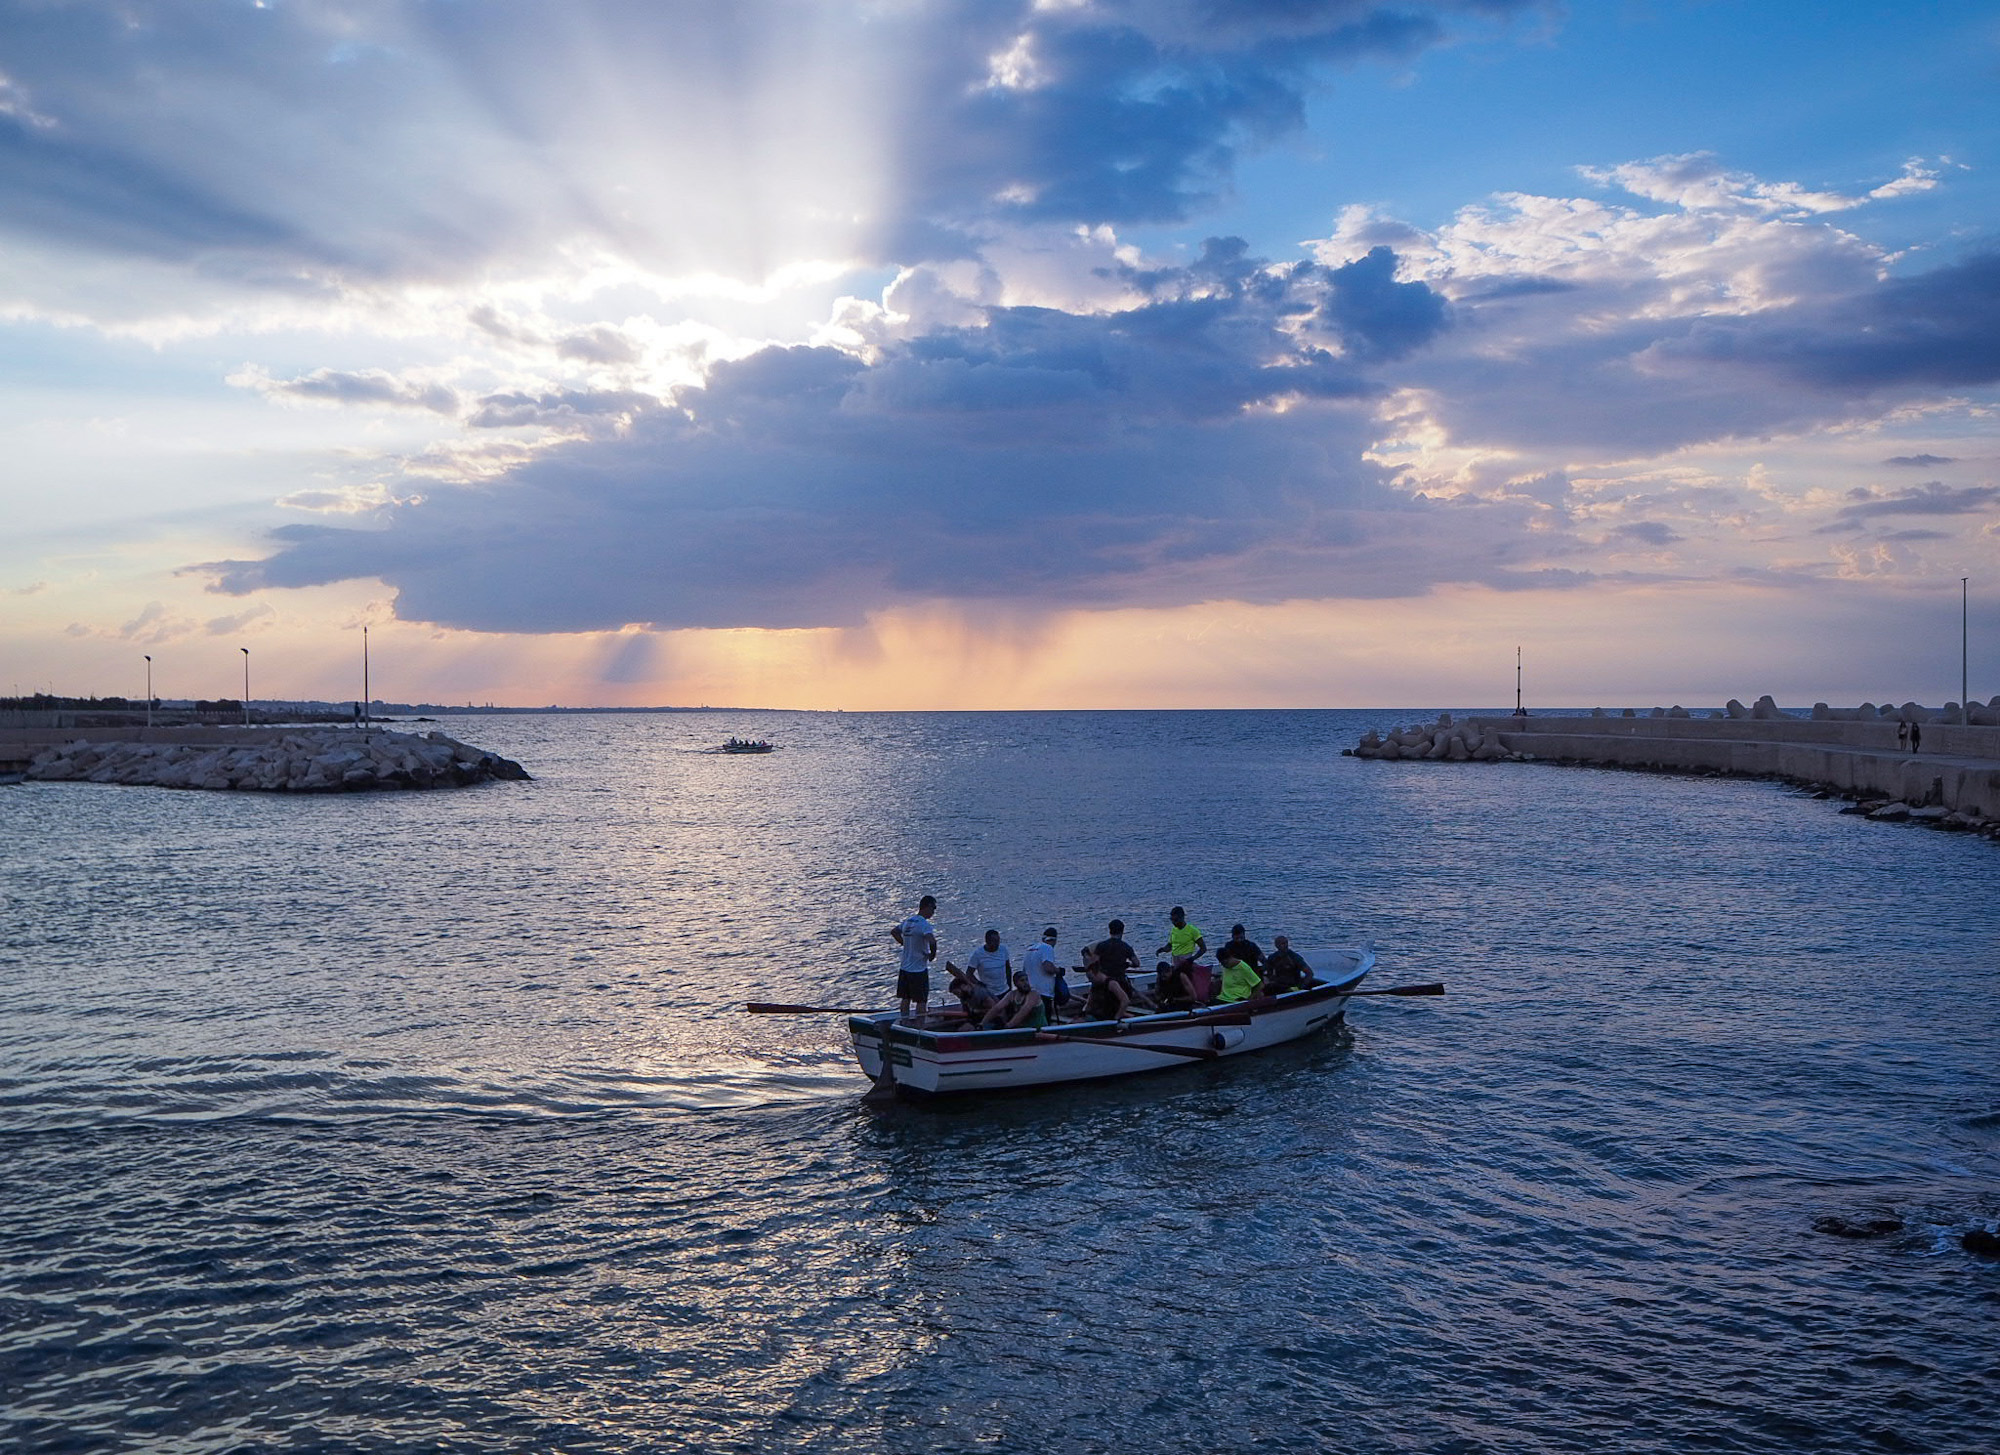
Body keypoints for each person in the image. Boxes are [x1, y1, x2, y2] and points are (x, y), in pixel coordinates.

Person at [889, 894, 938, 1021]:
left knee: (905, 998)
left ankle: (904, 1021)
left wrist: (905, 944)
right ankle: (920, 1025)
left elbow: (894, 932)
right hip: (918, 969)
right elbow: (932, 941)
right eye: (933, 908)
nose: (933, 912)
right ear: (927, 906)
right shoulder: (924, 924)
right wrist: (932, 955)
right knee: (921, 1000)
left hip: (905, 967)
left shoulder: (908, 921)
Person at [1021, 926, 1068, 1013]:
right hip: (1043, 993)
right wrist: (1059, 971)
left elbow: (1024, 971)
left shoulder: (1029, 949)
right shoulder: (1048, 948)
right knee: (1045, 1016)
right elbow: (1048, 967)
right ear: (1054, 940)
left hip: (1029, 991)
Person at [982, 970, 1048, 1029]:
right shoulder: (1012, 994)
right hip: (1023, 1029)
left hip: (1039, 1029)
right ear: (1016, 983)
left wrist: (1008, 1026)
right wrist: (982, 1023)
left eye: (1026, 980)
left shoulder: (1034, 994)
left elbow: (1024, 1010)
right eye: (1022, 980)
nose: (1026, 983)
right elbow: (997, 1008)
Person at [965, 928, 1012, 1004]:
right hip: (989, 993)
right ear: (987, 941)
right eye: (994, 941)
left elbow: (1008, 968)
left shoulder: (1003, 950)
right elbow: (969, 974)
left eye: (998, 941)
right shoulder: (978, 954)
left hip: (1005, 990)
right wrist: (979, 984)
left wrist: (1010, 986)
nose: (997, 944)